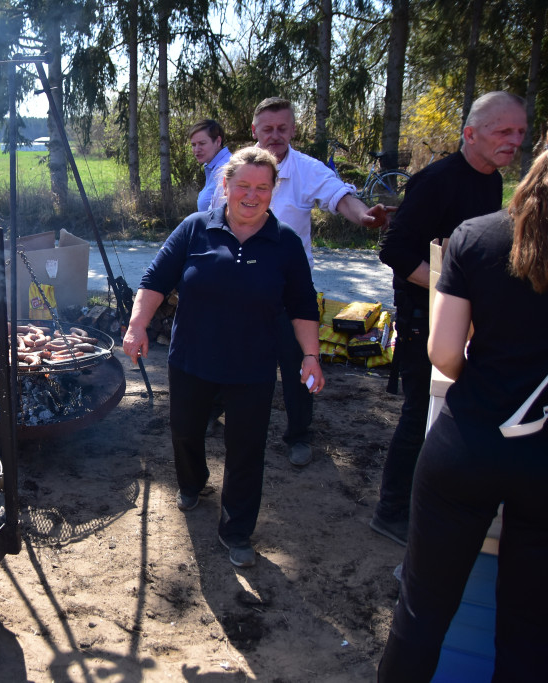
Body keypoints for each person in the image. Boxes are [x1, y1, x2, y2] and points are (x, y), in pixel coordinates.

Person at [378, 147, 548, 682]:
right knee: (530, 624)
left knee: (421, 612)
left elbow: (445, 353)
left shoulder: (478, 236)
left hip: (470, 441)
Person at [122, 147, 324, 568]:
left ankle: (236, 530)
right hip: (192, 359)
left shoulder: (285, 242)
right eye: (243, 185)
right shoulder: (195, 228)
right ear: (226, 185)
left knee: (247, 449)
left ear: (273, 190)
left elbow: (303, 305)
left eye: (262, 187)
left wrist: (310, 355)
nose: (252, 195)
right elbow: (155, 280)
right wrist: (137, 325)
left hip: (253, 366)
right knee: (185, 432)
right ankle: (192, 482)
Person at [371, 91, 527, 546]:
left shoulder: (492, 181)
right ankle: (391, 510)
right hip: (425, 317)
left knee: (450, 413)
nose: (514, 140)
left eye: (520, 132)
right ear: (470, 134)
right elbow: (394, 250)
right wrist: (451, 289)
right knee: (419, 412)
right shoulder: (436, 180)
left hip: (469, 318)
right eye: (503, 131)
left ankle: (437, 502)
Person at [211, 98, 391, 467]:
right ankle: (212, 413)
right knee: (228, 352)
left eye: (282, 128)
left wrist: (363, 218)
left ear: (293, 130)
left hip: (288, 291)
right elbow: (215, 219)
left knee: (299, 361)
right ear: (255, 130)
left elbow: (341, 197)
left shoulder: (307, 169)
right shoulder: (237, 168)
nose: (275, 135)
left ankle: (299, 435)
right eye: (268, 129)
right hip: (240, 287)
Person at [190, 119, 231, 212]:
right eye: (193, 144)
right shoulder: (212, 167)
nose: (197, 149)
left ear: (218, 141)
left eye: (202, 143)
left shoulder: (226, 169)